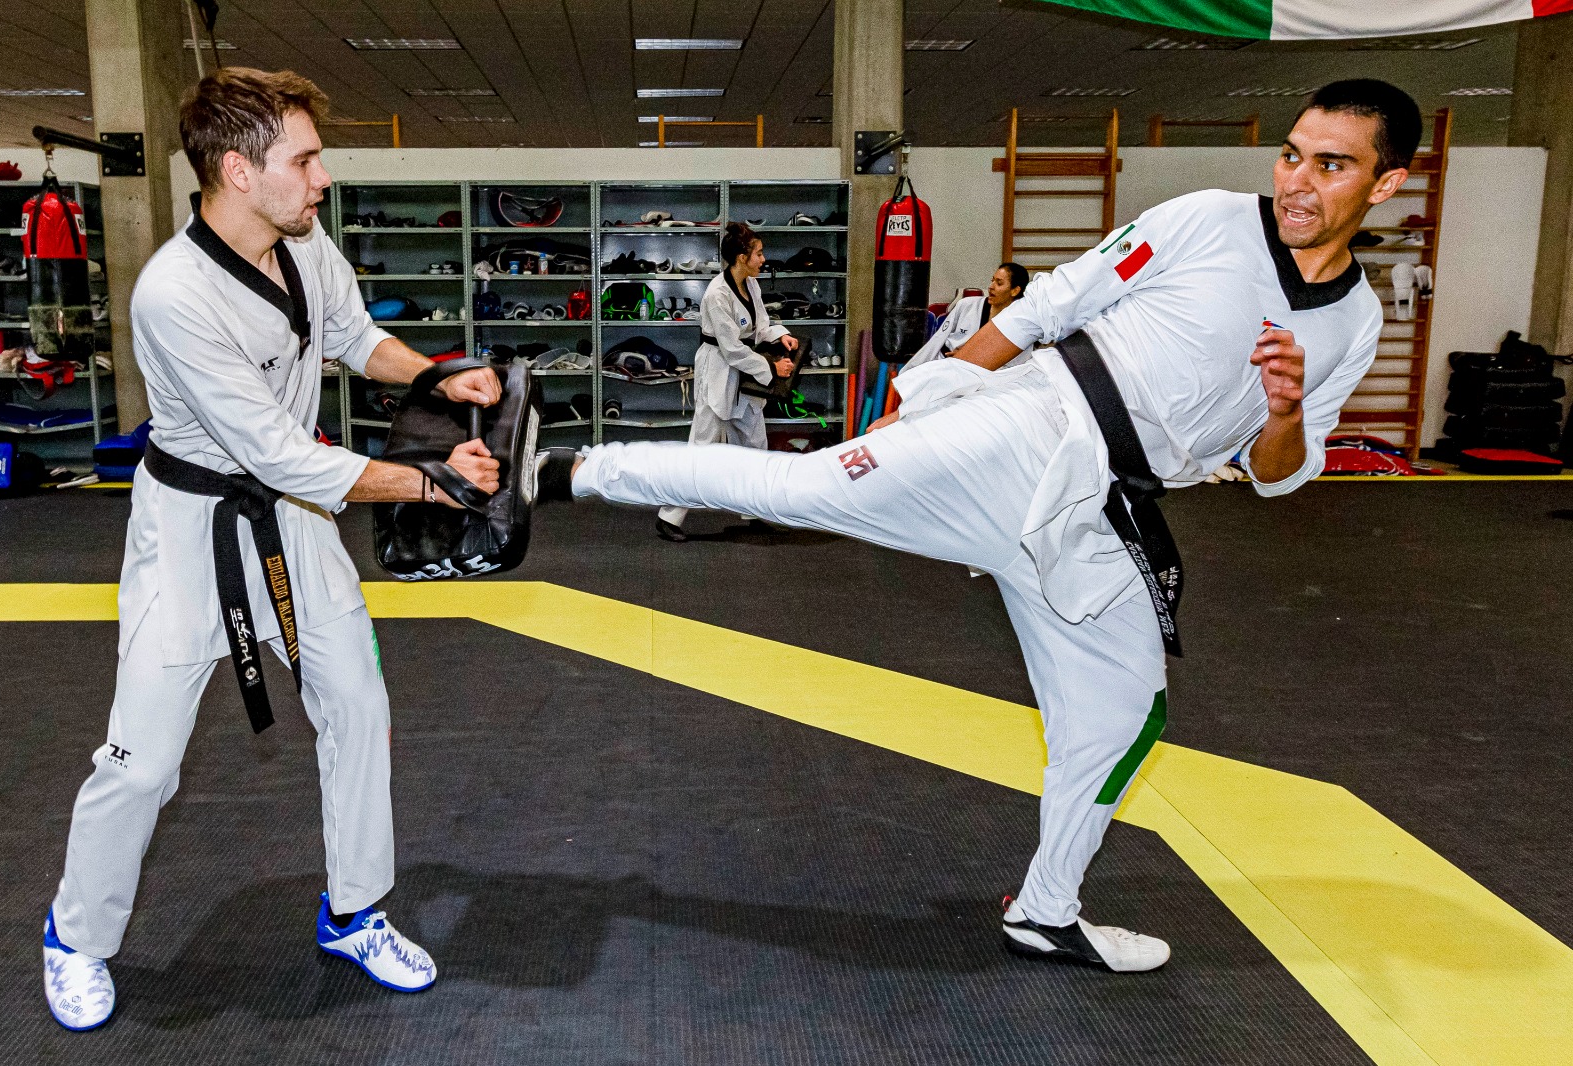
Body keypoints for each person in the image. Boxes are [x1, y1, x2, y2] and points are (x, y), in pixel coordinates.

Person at [539, 79, 1415, 972]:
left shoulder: (1353, 324)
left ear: (1385, 184)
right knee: (803, 487)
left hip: (1103, 512)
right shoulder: (1211, 219)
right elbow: (1047, 306)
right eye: (1291, 155)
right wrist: (930, 393)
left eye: (1332, 165)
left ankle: (1046, 911)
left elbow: (1280, 476)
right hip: (1023, 427)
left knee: (1125, 713)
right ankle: (571, 470)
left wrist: (1284, 410)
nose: (1297, 181)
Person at [42, 68, 502, 1030]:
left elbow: (355, 336)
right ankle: (75, 937)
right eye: (305, 159)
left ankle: (355, 912)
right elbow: (280, 453)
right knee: (141, 763)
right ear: (238, 172)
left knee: (358, 707)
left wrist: (437, 377)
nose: (323, 176)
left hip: (293, 523)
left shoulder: (303, 240)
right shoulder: (174, 296)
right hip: (191, 531)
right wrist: (432, 481)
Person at [655, 221, 798, 541]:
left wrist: (781, 335)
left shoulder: (752, 285)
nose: (763, 259)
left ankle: (755, 511)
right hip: (719, 370)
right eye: (758, 253)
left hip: (746, 371)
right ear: (741, 257)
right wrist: (771, 367)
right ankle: (669, 517)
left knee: (755, 443)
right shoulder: (717, 294)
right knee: (702, 449)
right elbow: (731, 348)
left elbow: (761, 327)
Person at [901, 262, 1030, 371]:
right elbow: (938, 340)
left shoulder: (1021, 322)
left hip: (983, 374)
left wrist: (969, 357)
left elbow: (1015, 364)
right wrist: (913, 368)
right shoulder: (966, 305)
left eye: (999, 283)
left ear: (1015, 290)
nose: (991, 287)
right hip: (945, 364)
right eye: (992, 280)